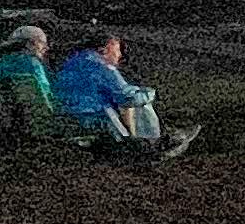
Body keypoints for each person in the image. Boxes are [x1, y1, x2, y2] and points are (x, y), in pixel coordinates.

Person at [52, 31, 196, 159]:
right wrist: (149, 94)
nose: (120, 55)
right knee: (138, 102)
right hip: (96, 118)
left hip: (66, 114)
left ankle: (154, 139)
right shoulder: (102, 66)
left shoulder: (72, 63)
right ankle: (155, 143)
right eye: (118, 49)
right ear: (107, 47)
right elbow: (126, 96)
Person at [0, 25, 61, 136]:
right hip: (39, 120)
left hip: (7, 121)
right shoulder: (33, 65)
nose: (47, 48)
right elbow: (47, 94)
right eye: (43, 42)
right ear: (30, 43)